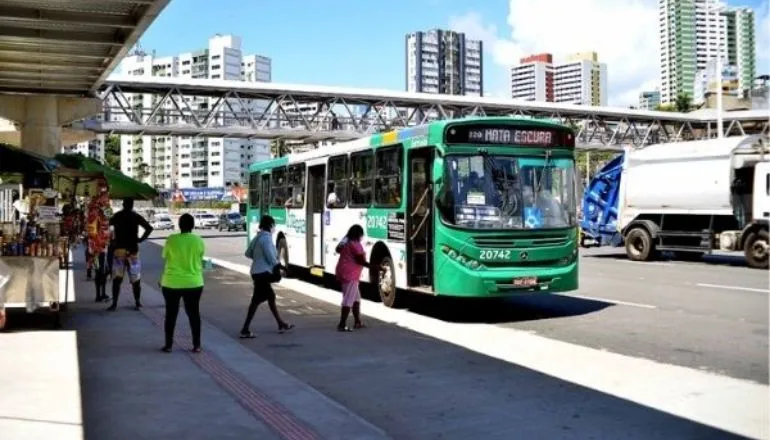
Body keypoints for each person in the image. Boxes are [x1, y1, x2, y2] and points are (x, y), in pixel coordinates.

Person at [240, 215, 294, 338]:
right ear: (270, 226)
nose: (274, 228)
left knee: (269, 297)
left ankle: (281, 324)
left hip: (256, 272)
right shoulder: (267, 239)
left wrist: (258, 259)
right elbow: (271, 258)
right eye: (273, 225)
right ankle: (245, 329)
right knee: (259, 300)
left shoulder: (257, 237)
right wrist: (281, 267)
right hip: (262, 273)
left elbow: (248, 253)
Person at [160, 214, 206, 353]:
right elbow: (200, 257)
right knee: (194, 314)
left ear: (179, 225)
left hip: (171, 282)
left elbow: (164, 256)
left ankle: (168, 345)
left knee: (171, 314)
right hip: (194, 282)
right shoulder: (198, 240)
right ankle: (196, 345)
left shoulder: (171, 239)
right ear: (192, 225)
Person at [107, 198, 153, 311]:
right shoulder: (136, 216)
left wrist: (111, 239)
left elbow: (106, 225)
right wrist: (141, 239)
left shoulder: (117, 216)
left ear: (123, 204)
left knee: (117, 279)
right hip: (133, 251)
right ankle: (137, 302)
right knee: (136, 279)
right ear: (132, 205)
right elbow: (149, 228)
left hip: (119, 251)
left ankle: (114, 304)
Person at [334, 225, 369, 332]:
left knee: (356, 298)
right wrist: (377, 267)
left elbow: (338, 249)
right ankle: (342, 324)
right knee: (348, 299)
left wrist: (345, 238)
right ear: (359, 234)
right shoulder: (355, 245)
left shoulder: (347, 242)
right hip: (350, 274)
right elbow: (361, 261)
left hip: (344, 272)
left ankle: (357, 321)